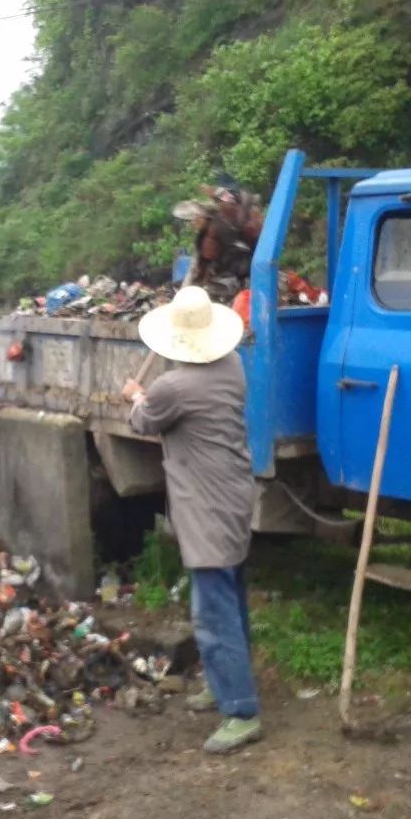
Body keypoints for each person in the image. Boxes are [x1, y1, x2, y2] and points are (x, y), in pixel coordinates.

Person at [122, 285, 260, 754]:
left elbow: (144, 422)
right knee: (231, 596)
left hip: (205, 505)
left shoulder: (173, 388)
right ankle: (225, 686)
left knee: (212, 611)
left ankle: (241, 710)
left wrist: (135, 395)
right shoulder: (233, 366)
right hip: (235, 494)